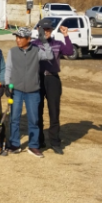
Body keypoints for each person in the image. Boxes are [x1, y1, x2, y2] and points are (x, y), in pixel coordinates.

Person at [4, 27, 54, 158]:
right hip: (17, 90)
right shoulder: (12, 51)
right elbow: (8, 68)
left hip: (33, 91)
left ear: (28, 39)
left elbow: (50, 55)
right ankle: (14, 144)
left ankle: (33, 146)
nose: (18, 40)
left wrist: (44, 41)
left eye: (21, 38)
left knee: (34, 120)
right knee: (14, 118)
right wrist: (6, 85)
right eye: (17, 37)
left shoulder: (37, 51)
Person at [32, 20, 73, 155]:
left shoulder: (57, 43)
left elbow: (70, 51)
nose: (47, 32)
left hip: (53, 79)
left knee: (54, 112)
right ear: (39, 30)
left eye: (49, 29)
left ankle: (55, 142)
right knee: (37, 112)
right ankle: (39, 140)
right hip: (37, 79)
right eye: (44, 29)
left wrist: (66, 35)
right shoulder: (33, 45)